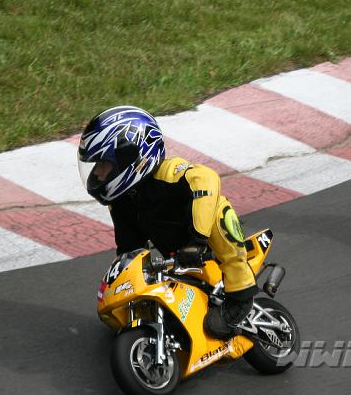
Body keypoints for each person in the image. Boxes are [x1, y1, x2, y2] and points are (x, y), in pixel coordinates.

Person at [77, 105, 258, 339]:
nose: (97, 174)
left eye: (102, 164)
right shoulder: (120, 202)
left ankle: (241, 295)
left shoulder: (169, 173)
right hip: (175, 254)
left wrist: (198, 240)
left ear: (129, 157)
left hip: (204, 239)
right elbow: (129, 248)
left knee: (219, 214)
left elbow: (208, 178)